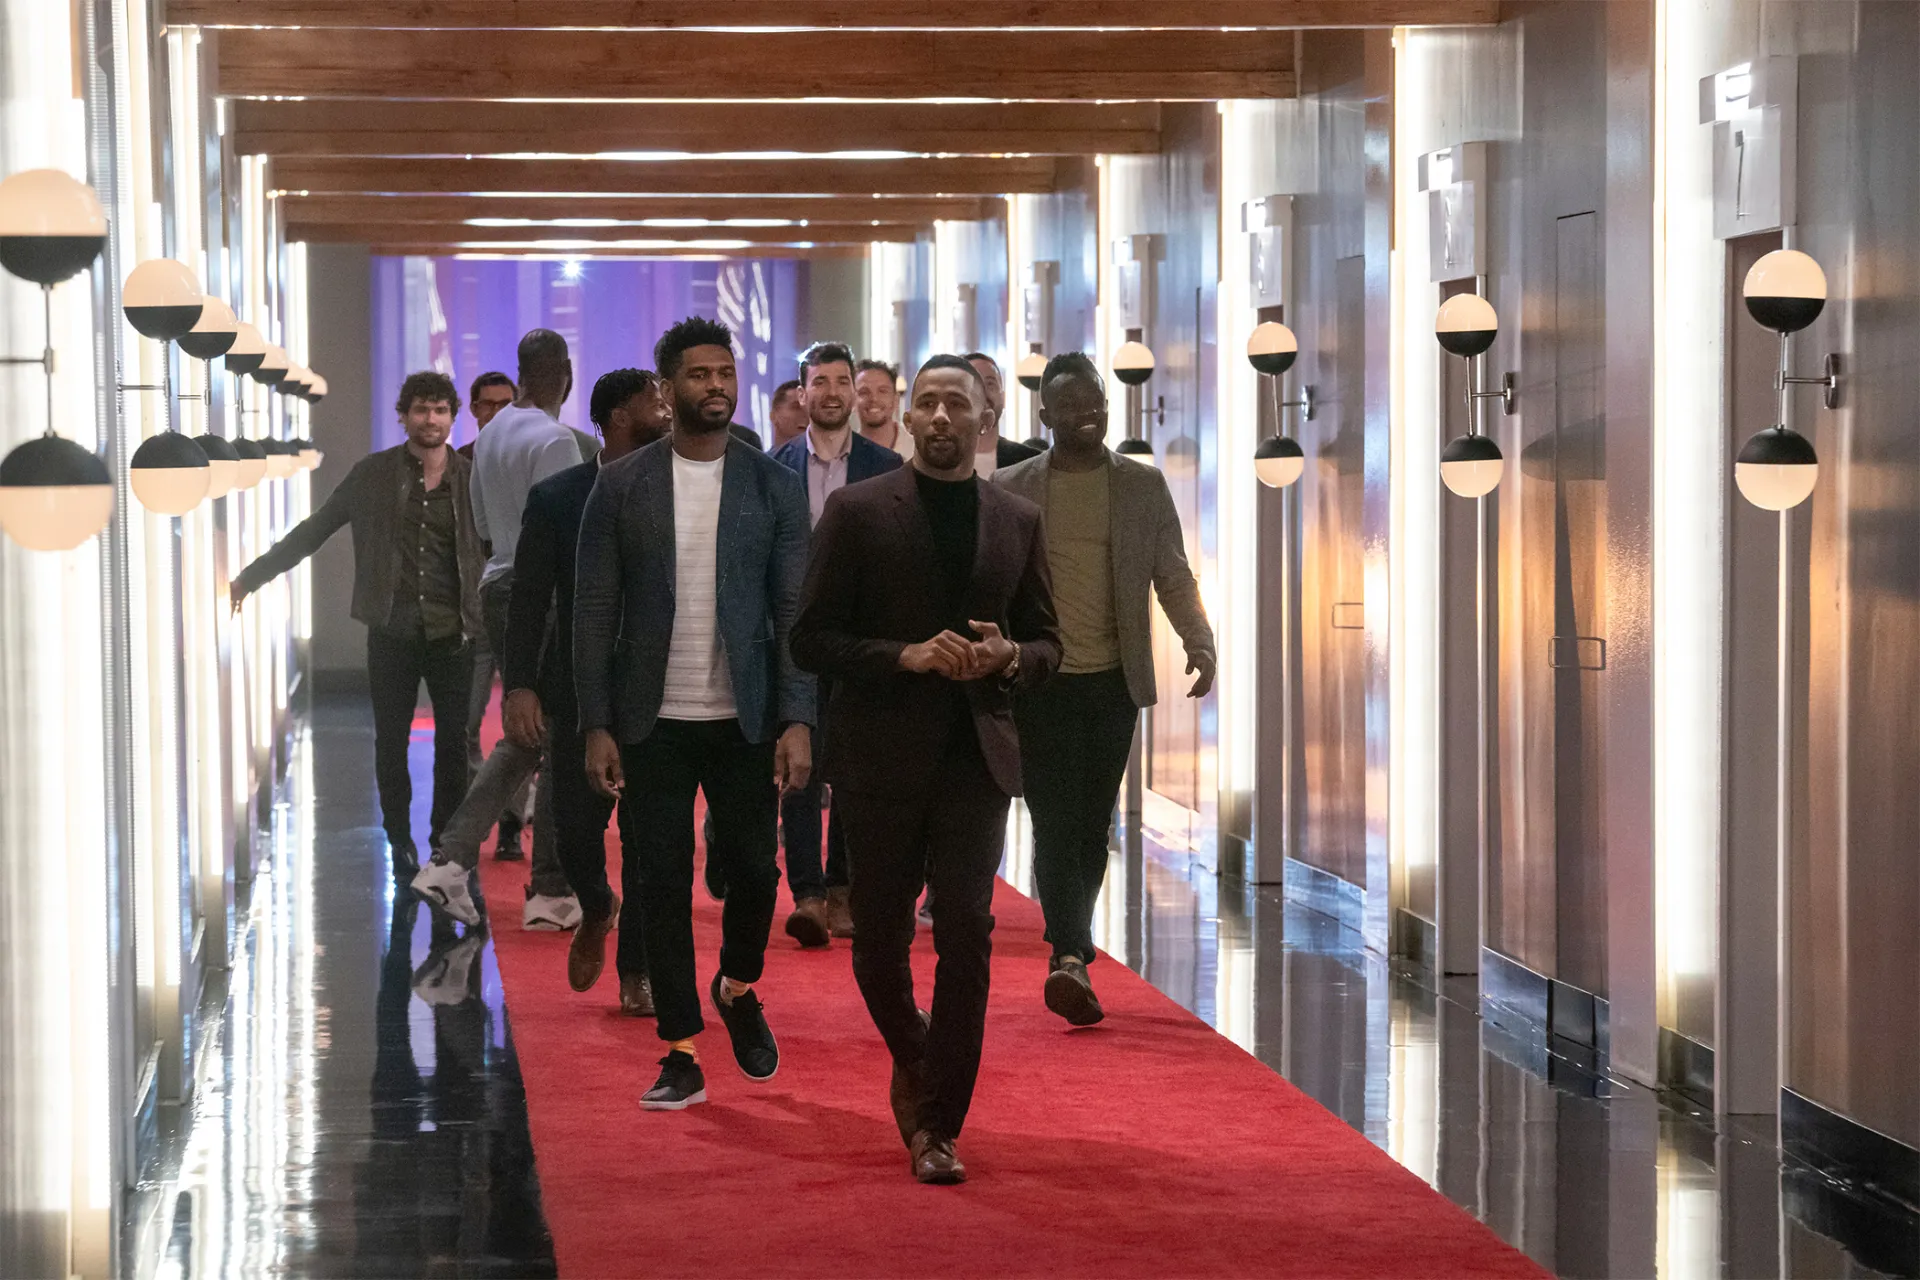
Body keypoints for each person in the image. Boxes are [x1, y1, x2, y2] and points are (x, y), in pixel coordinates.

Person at [791, 354, 1061, 1185]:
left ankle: (939, 1124)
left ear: (985, 421)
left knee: (968, 935)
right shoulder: (857, 511)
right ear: (908, 417)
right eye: (929, 402)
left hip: (975, 762)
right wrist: (902, 655)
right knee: (878, 944)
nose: (942, 416)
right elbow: (810, 639)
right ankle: (916, 1053)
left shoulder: (1016, 519)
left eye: (958, 404)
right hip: (878, 757)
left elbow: (1049, 644)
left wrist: (1010, 656)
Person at [574, 315, 814, 1110]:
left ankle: (737, 985)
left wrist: (798, 719)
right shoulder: (623, 485)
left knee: (756, 870)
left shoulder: (773, 485)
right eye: (699, 374)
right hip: (653, 720)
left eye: (725, 372)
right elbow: (593, 609)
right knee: (661, 879)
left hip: (746, 717)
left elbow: (794, 610)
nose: (716, 386)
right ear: (667, 387)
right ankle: (679, 1048)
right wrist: (597, 723)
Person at [416, 370, 674, 1017]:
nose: (668, 409)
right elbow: (529, 596)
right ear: (619, 415)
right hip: (577, 683)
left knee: (649, 839)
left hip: (662, 686)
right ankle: (595, 905)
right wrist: (522, 685)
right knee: (576, 832)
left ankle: (639, 972)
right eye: (656, 400)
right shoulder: (560, 494)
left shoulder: (678, 488)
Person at [995, 352, 1216, 1025]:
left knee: (1093, 822)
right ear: (1046, 415)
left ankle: (1070, 944)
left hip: (1113, 683)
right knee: (1052, 814)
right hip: (1039, 678)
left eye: (1095, 403)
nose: (1087, 415)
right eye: (1071, 406)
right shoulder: (1011, 487)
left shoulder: (1141, 486)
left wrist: (1199, 639)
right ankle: (1069, 953)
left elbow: (1171, 573)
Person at [232, 371, 484, 877]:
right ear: (403, 416)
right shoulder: (373, 474)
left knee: (454, 746)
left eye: (439, 410)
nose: (430, 419)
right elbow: (316, 529)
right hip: (392, 629)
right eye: (421, 409)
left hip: (455, 631)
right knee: (390, 742)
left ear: (453, 417)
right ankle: (399, 840)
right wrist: (250, 578)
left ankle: (444, 844)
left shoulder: (472, 478)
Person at [770, 341, 902, 946]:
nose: (831, 392)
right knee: (797, 764)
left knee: (852, 767)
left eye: (841, 381)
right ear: (802, 394)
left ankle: (844, 886)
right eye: (819, 382)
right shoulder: (775, 467)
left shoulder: (887, 466)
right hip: (795, 635)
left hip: (860, 638)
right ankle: (808, 894)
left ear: (854, 391)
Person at [469, 329, 586, 930]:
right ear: (565, 373)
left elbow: (482, 526)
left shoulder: (489, 435)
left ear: (519, 374)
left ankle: (451, 858)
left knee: (527, 734)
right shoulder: (556, 440)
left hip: (497, 584)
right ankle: (550, 887)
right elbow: (570, 536)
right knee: (561, 740)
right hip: (542, 593)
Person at [458, 370, 534, 862]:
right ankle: (480, 817)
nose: (498, 412)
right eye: (488, 404)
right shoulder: (460, 464)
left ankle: (510, 823)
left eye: (507, 403)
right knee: (465, 726)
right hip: (472, 613)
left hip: (517, 609)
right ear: (474, 409)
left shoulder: (530, 458)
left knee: (520, 724)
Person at [964, 351, 1041, 477]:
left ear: (1003, 397)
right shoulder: (936, 462)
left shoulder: (1032, 463)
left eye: (990, 384)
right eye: (972, 384)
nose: (982, 392)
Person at [855, 358, 910, 461]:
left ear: (896, 400)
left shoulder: (918, 451)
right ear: (853, 401)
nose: (874, 399)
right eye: (864, 392)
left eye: (882, 391)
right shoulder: (843, 456)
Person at [768, 377, 808, 451]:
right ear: (773, 416)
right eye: (796, 407)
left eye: (810, 408)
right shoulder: (756, 458)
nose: (807, 414)